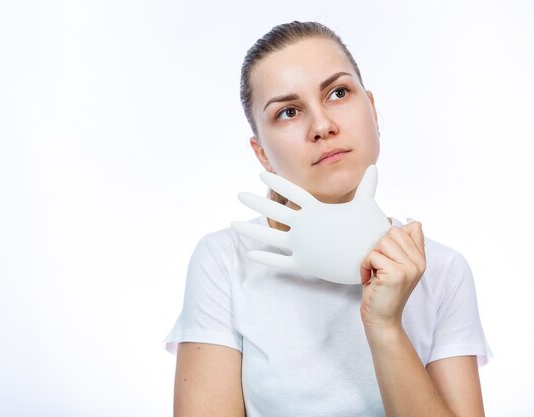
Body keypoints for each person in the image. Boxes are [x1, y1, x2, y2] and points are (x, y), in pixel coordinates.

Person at [165, 21, 491, 417]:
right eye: (288, 112)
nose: (322, 127)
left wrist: (385, 326)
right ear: (262, 153)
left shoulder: (442, 270)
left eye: (338, 93)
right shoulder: (225, 261)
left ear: (371, 108)